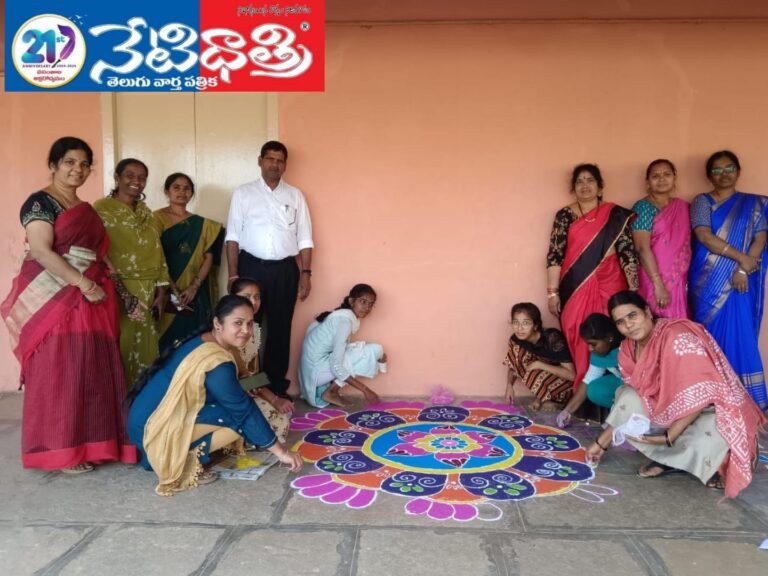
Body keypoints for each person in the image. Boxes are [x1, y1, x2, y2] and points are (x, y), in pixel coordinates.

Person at [1, 137, 137, 473]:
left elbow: (99, 255)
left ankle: (93, 443)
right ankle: (62, 450)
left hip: (91, 297)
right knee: (61, 370)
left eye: (84, 164)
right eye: (69, 162)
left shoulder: (84, 210)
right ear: (54, 165)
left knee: (90, 368)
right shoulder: (39, 204)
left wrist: (117, 291)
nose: (77, 169)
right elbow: (43, 251)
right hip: (56, 295)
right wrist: (84, 284)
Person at [586, 291, 765, 499]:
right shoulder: (627, 349)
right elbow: (631, 401)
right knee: (626, 396)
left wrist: (669, 436)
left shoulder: (677, 336)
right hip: (665, 410)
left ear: (647, 312)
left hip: (707, 409)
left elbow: (703, 391)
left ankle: (675, 456)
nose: (628, 325)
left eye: (632, 315)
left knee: (715, 434)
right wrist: (601, 444)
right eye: (620, 322)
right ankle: (672, 460)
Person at [127, 295, 303, 496]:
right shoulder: (216, 361)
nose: (246, 331)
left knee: (246, 413)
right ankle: (183, 461)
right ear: (217, 324)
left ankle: (188, 448)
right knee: (238, 422)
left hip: (147, 421)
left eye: (249, 323)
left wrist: (269, 397)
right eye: (237, 323)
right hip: (152, 432)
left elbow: (246, 382)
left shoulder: (208, 340)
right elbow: (242, 410)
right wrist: (282, 452)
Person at [225, 141, 313, 399]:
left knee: (280, 328)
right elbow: (232, 237)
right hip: (251, 267)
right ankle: (247, 386)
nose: (274, 164)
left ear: (285, 164)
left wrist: (306, 274)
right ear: (260, 160)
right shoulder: (243, 193)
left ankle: (275, 387)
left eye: (280, 160)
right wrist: (233, 274)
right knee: (246, 327)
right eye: (270, 159)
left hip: (285, 270)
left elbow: (305, 238)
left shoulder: (295, 195)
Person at [688, 150, 768, 410]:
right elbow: (704, 236)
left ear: (738, 170)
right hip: (707, 283)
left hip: (740, 282)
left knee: (741, 335)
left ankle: (747, 403)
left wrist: (744, 268)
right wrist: (740, 259)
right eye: (717, 170)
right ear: (709, 175)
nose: (724, 174)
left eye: (729, 168)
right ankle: (713, 400)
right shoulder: (702, 201)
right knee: (709, 338)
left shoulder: (756, 203)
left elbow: (760, 238)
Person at [547, 163, 638, 389]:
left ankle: (616, 393)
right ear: (573, 188)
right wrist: (552, 293)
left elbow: (628, 253)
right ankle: (585, 393)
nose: (585, 185)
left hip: (611, 284)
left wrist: (633, 290)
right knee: (580, 335)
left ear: (600, 187)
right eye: (580, 181)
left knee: (613, 334)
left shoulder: (615, 215)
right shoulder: (565, 215)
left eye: (590, 180)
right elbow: (555, 255)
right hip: (574, 287)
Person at [94, 159, 170, 387]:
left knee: (146, 348)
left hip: (148, 290)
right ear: (117, 178)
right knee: (121, 345)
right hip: (117, 289)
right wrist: (122, 292)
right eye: (129, 175)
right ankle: (117, 406)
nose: (136, 181)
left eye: (142, 177)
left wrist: (162, 289)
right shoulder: (100, 210)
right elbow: (97, 251)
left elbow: (157, 249)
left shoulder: (147, 214)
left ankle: (141, 404)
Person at [154, 172, 225, 352]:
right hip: (164, 289)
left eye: (187, 188)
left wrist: (194, 286)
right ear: (166, 191)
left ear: (192, 193)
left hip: (194, 293)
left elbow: (208, 257)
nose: (182, 192)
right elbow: (155, 255)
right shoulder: (155, 219)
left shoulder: (203, 225)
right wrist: (172, 287)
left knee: (194, 342)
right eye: (176, 187)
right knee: (164, 343)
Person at [299, 284, 386, 408]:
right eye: (363, 302)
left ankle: (331, 390)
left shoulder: (341, 317)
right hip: (316, 373)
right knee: (373, 350)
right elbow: (336, 365)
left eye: (371, 304)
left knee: (368, 350)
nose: (367, 307)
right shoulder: (344, 322)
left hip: (311, 372)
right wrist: (366, 390)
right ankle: (331, 392)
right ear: (351, 301)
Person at [230, 277, 291, 443]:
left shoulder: (253, 330)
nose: (253, 302)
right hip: (227, 392)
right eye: (247, 296)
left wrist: (272, 398)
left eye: (257, 297)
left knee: (282, 420)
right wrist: (274, 399)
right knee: (275, 426)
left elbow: (254, 374)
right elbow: (238, 377)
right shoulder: (229, 330)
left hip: (246, 388)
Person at [631, 159, 691, 318]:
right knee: (657, 321)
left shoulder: (683, 207)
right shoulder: (642, 207)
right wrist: (658, 284)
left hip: (680, 277)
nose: (662, 179)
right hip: (654, 277)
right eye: (655, 176)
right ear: (648, 182)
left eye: (666, 174)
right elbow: (642, 248)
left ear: (674, 177)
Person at [503, 302, 575, 411]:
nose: (520, 328)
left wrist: (540, 365)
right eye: (515, 322)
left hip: (565, 386)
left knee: (532, 371)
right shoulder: (516, 340)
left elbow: (572, 375)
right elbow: (513, 365)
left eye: (526, 323)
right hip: (545, 380)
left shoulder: (552, 338)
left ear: (536, 325)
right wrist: (509, 386)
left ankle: (558, 402)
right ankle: (543, 399)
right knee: (517, 351)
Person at [557, 313, 624, 428]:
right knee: (595, 389)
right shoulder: (598, 353)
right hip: (623, 382)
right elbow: (589, 380)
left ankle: (626, 417)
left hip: (641, 388)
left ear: (609, 338)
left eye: (593, 344)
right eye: (588, 344)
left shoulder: (627, 347)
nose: (590, 349)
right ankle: (621, 415)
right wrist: (567, 410)